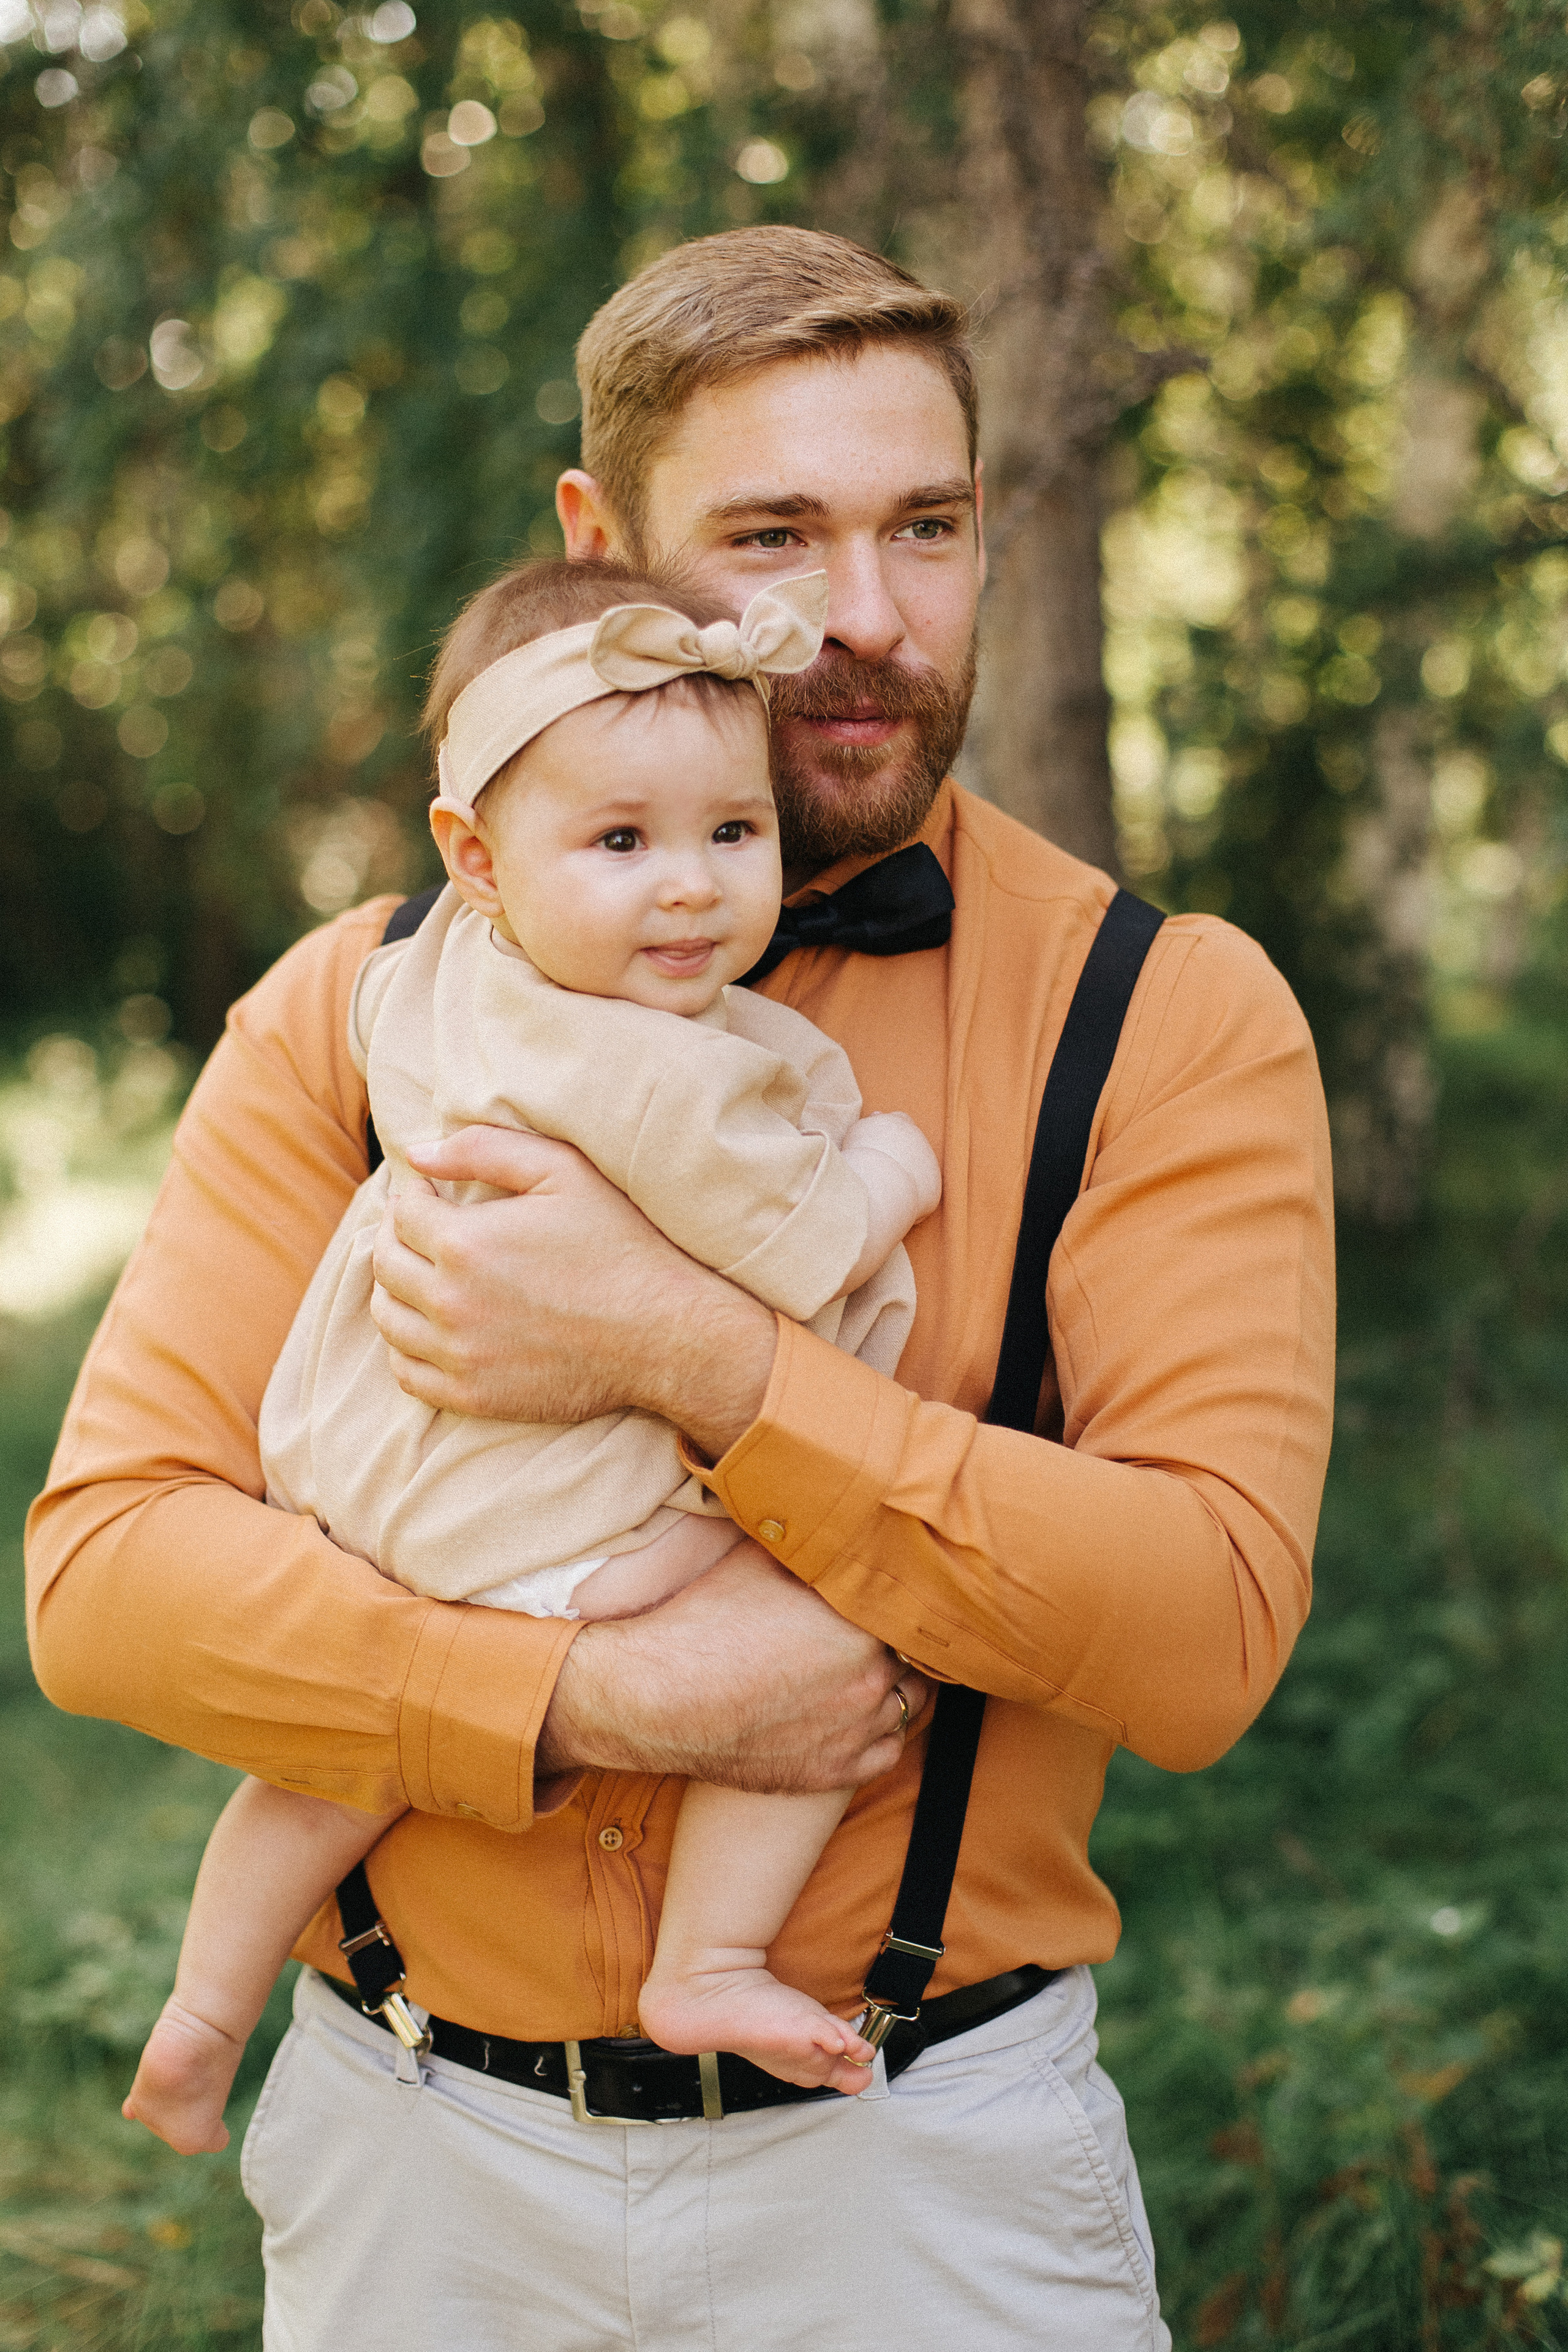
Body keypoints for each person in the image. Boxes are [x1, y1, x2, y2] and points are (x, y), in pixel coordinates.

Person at [26, 227, 1335, 2350]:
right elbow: (107, 1584)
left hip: (922, 2180)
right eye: (772, 536)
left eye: (929, 524)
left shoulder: (1160, 1016)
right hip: (415, 2173)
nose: (871, 620)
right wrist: (590, 1698)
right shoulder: (353, 1011)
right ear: (603, 544)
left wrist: (697, 1357)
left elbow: (1201, 1633)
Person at [120, 556, 944, 2157]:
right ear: (481, 856)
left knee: (332, 1767)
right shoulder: (654, 1075)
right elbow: (796, 1246)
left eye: (731, 832)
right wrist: (895, 1170)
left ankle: (204, 2011)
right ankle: (706, 1960)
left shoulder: (430, 977)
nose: (692, 888)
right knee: (830, 1633)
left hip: (371, 1471)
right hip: (559, 1523)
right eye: (624, 842)